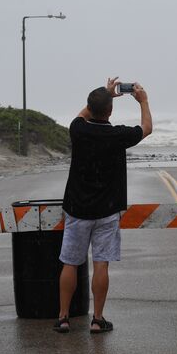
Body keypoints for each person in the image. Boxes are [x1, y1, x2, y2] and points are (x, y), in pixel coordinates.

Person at [53, 77, 152, 333]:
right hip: (106, 210)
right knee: (101, 263)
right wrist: (143, 100)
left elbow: (82, 114)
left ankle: (63, 317)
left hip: (77, 208)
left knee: (70, 263)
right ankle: (97, 319)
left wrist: (105, 94)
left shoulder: (78, 130)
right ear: (111, 110)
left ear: (90, 107)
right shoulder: (117, 134)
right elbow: (147, 128)